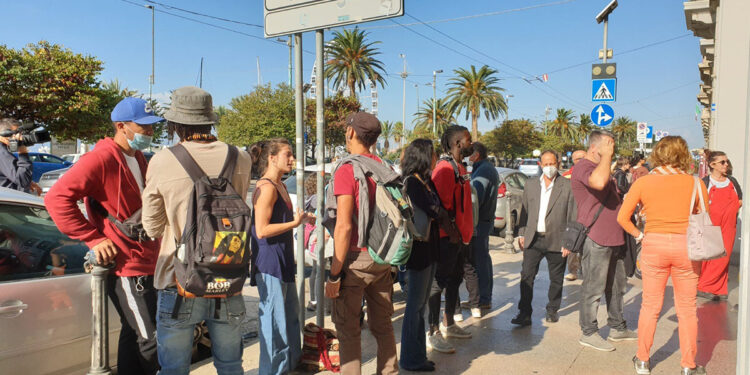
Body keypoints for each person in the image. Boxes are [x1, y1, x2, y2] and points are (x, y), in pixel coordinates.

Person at [45, 97, 163, 375]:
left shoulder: (136, 157)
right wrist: (94, 238)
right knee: (151, 339)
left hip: (146, 259)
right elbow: (56, 198)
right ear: (121, 126)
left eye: (152, 127)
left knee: (133, 334)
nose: (150, 133)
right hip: (127, 266)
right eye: (143, 127)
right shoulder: (100, 158)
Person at [141, 87, 252, 375]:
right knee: (230, 365)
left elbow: (152, 227)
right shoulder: (240, 157)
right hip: (228, 276)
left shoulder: (163, 160)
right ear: (209, 120)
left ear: (175, 125)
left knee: (174, 369)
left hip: (178, 280)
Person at [617, 136, 709, 375]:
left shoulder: (644, 182)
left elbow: (622, 218)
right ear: (683, 155)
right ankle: (688, 365)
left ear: (657, 154)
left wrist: (639, 235)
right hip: (687, 248)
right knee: (688, 309)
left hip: (654, 244)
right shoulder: (696, 183)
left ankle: (643, 360)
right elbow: (705, 217)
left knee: (650, 305)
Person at [324, 112, 398, 375]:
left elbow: (343, 226)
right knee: (383, 326)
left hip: (355, 261)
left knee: (348, 332)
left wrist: (334, 275)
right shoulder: (383, 166)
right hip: (382, 257)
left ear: (351, 133)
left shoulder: (348, 169)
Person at [250, 138, 312, 375]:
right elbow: (262, 230)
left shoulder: (281, 185)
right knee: (274, 324)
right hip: (270, 262)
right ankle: (273, 371)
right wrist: (294, 223)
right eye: (288, 154)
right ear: (272, 158)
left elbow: (281, 220)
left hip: (284, 259)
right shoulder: (266, 187)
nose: (293, 159)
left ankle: (291, 365)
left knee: (289, 318)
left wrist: (302, 219)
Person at [571, 129, 637, 352]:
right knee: (594, 288)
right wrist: (607, 156)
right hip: (596, 238)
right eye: (608, 145)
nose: (613, 149)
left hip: (615, 237)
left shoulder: (603, 168)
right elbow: (598, 184)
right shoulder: (583, 167)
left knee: (618, 286)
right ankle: (588, 332)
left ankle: (617, 327)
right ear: (594, 147)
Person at [399, 139, 449, 372]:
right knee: (415, 306)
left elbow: (438, 207)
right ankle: (410, 358)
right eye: (432, 154)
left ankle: (418, 354)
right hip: (418, 251)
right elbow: (433, 209)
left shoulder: (426, 181)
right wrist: (438, 213)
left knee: (421, 305)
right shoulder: (412, 182)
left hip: (430, 249)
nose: (435, 158)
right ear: (422, 156)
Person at [513, 150, 577, 326]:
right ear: (540, 165)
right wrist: (522, 233)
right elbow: (524, 212)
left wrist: (569, 242)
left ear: (558, 164)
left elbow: (573, 216)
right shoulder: (531, 184)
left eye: (552, 163)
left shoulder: (567, 186)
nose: (549, 167)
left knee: (556, 278)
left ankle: (552, 309)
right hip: (533, 239)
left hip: (557, 239)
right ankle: (524, 313)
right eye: (546, 164)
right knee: (526, 275)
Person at [426, 125, 474, 354]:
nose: (471, 143)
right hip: (448, 239)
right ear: (457, 144)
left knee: (455, 280)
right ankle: (432, 331)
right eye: (468, 139)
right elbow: (440, 207)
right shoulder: (445, 169)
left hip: (460, 238)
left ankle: (450, 323)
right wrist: (453, 234)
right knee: (438, 284)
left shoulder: (460, 167)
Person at [698, 151, 742, 301]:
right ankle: (704, 287)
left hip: (728, 226)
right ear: (712, 165)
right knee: (709, 258)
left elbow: (740, 200)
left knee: (724, 256)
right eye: (722, 162)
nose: (726, 165)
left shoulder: (732, 181)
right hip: (710, 225)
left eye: (727, 162)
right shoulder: (704, 182)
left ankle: (717, 287)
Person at [467, 142, 499, 313]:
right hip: (483, 222)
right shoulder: (484, 168)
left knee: (480, 262)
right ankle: (480, 298)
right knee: (482, 260)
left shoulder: (484, 170)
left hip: (480, 223)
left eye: (469, 153)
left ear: (476, 154)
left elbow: (475, 197)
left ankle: (483, 299)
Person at [563, 149, 586, 281]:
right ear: (573, 160)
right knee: (571, 244)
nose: (581, 161)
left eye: (584, 158)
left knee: (586, 246)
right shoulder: (566, 176)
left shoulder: (593, 174)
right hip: (573, 216)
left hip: (589, 216)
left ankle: (585, 268)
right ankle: (573, 270)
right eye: (578, 159)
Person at [0, 117, 34, 193]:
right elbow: (23, 181)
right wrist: (23, 152)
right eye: (15, 133)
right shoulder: (2, 152)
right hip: (8, 201)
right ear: (4, 133)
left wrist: (30, 182)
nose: (19, 137)